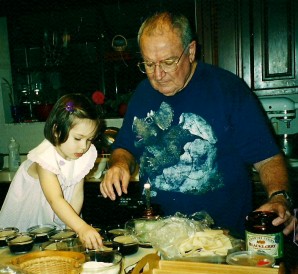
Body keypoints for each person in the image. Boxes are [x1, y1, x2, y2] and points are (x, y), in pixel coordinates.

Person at [100, 11, 295, 236]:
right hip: (159, 237)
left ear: (190, 51)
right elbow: (124, 148)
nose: (158, 74)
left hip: (223, 238)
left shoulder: (228, 90)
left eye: (168, 62)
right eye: (149, 64)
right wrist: (120, 165)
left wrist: (279, 196)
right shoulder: (142, 94)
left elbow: (268, 158)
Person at [0, 93, 103, 249]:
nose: (84, 146)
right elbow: (55, 199)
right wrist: (82, 227)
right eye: (78, 138)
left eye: (89, 139)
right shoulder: (44, 157)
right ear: (56, 130)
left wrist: (72, 228)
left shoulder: (82, 155)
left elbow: (77, 196)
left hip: (58, 218)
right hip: (29, 219)